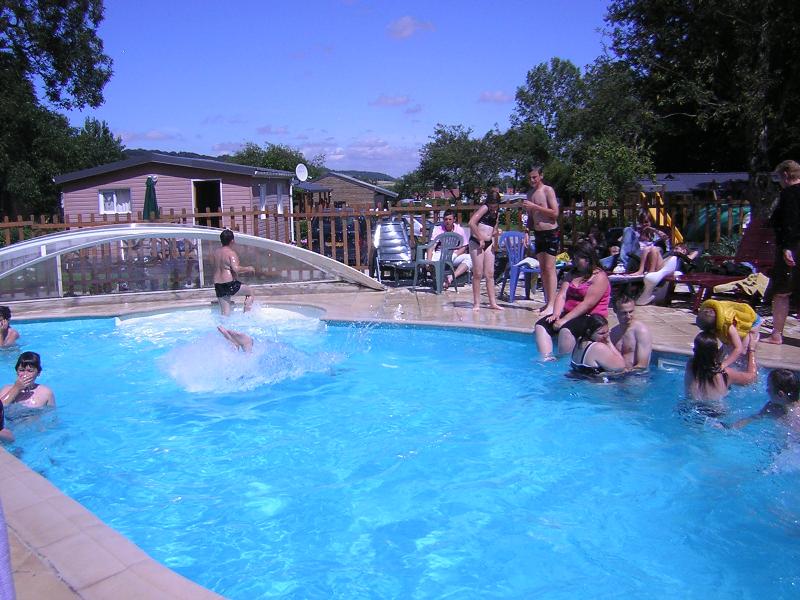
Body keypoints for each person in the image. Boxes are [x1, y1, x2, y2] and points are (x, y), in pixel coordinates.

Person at [534, 240, 611, 359]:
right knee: (541, 326)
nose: (573, 261)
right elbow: (562, 295)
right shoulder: (572, 274)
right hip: (571, 315)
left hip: (591, 317)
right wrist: (556, 314)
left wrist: (564, 320)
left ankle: (565, 362)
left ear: (587, 259)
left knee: (566, 330)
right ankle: (546, 359)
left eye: (576, 259)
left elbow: (587, 304)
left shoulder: (599, 277)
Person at [764, 159, 800, 345]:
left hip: (793, 247)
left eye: (779, 177)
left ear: (785, 175)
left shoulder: (790, 194)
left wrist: (787, 247)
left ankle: (776, 334)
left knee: (782, 292)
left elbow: (790, 222)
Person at [523, 166, 560, 315]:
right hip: (538, 233)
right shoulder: (530, 193)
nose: (532, 180)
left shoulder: (547, 191)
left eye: (534, 177)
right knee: (543, 269)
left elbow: (555, 213)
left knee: (550, 268)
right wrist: (527, 231)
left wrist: (535, 206)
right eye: (530, 178)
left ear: (541, 176)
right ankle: (547, 302)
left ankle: (552, 304)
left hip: (550, 232)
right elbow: (531, 217)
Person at [684, 331, 757, 406]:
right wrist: (751, 350)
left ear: (694, 351)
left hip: (689, 407)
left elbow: (704, 356)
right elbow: (752, 377)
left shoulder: (690, 365)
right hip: (715, 411)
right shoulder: (725, 374)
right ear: (716, 352)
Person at [695, 299, 760, 370]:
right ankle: (716, 362)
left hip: (752, 323)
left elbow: (738, 348)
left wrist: (724, 364)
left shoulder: (728, 326)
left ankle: (749, 371)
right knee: (727, 346)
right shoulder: (716, 319)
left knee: (743, 352)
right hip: (737, 325)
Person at [728, 369, 800, 431]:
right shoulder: (772, 407)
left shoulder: (797, 416)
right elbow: (753, 418)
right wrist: (731, 427)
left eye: (769, 387)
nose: (767, 390)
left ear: (780, 394)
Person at [469, 190, 503, 312]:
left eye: (495, 206)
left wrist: (496, 237)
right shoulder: (484, 208)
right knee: (478, 273)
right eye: (491, 206)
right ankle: (476, 303)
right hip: (477, 242)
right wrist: (480, 238)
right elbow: (472, 223)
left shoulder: (497, 212)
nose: (493, 208)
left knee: (490, 274)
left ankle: (493, 302)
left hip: (489, 243)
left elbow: (494, 230)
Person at [212, 229, 256, 316]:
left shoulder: (216, 253)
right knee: (250, 292)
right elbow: (236, 268)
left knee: (225, 313)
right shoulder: (231, 253)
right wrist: (248, 268)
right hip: (229, 284)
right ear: (232, 241)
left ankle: (224, 325)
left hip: (218, 284)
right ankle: (247, 316)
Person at [427, 209, 472, 289]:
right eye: (446, 219)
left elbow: (464, 246)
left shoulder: (459, 230)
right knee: (431, 260)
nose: (447, 221)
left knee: (470, 258)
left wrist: (455, 254)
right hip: (440, 254)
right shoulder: (438, 229)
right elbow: (432, 245)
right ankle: (438, 280)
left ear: (454, 220)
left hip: (454, 255)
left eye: (450, 219)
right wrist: (428, 261)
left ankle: (451, 278)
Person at [609, 293, 653, 371]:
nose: (628, 316)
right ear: (615, 311)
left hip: (636, 375)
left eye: (631, 311)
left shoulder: (641, 331)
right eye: (624, 313)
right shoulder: (613, 332)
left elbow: (642, 365)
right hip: (618, 373)